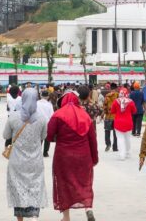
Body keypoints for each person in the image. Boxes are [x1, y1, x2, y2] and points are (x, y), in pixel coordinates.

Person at [47, 92, 99, 221]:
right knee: (84, 182)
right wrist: (94, 158)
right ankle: (88, 208)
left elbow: (49, 135)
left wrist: (59, 137)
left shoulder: (57, 115)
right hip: (84, 155)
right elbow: (92, 138)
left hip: (63, 156)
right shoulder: (85, 115)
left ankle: (66, 217)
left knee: (63, 183)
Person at [3, 88, 48, 220]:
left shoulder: (14, 117)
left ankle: (20, 219)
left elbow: (5, 135)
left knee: (18, 189)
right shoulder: (42, 118)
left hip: (17, 161)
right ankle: (34, 217)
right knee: (34, 187)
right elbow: (44, 136)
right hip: (35, 160)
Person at [111, 87, 137, 160]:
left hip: (118, 122)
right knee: (128, 138)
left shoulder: (116, 101)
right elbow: (134, 111)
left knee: (120, 138)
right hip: (128, 122)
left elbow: (112, 111)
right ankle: (128, 153)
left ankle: (122, 154)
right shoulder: (131, 101)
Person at [38, 89, 55, 157]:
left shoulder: (37, 103)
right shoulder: (49, 105)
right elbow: (52, 115)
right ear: (48, 97)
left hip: (38, 122)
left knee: (39, 138)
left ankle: (38, 151)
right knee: (47, 138)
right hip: (47, 123)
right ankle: (45, 152)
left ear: (41, 96)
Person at [103, 83, 119, 152]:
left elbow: (104, 106)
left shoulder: (107, 96)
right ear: (116, 88)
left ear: (110, 88)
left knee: (107, 131)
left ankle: (108, 144)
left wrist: (106, 112)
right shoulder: (118, 96)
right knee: (116, 132)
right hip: (116, 117)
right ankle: (115, 147)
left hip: (108, 116)